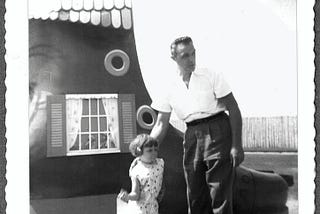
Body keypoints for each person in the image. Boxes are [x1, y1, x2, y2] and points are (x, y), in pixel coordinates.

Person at [150, 36, 244, 214]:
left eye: (193, 53)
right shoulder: (168, 85)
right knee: (194, 192)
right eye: (185, 55)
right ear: (174, 58)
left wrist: (236, 145)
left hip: (218, 130)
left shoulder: (211, 75)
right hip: (192, 135)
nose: (191, 59)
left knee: (220, 192)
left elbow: (233, 108)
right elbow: (161, 124)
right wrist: (145, 147)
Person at [118, 134, 165, 214]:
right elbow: (136, 194)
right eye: (149, 150)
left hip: (153, 207)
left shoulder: (160, 163)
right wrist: (128, 196)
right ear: (139, 152)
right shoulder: (137, 171)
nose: (153, 153)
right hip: (140, 209)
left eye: (155, 150)